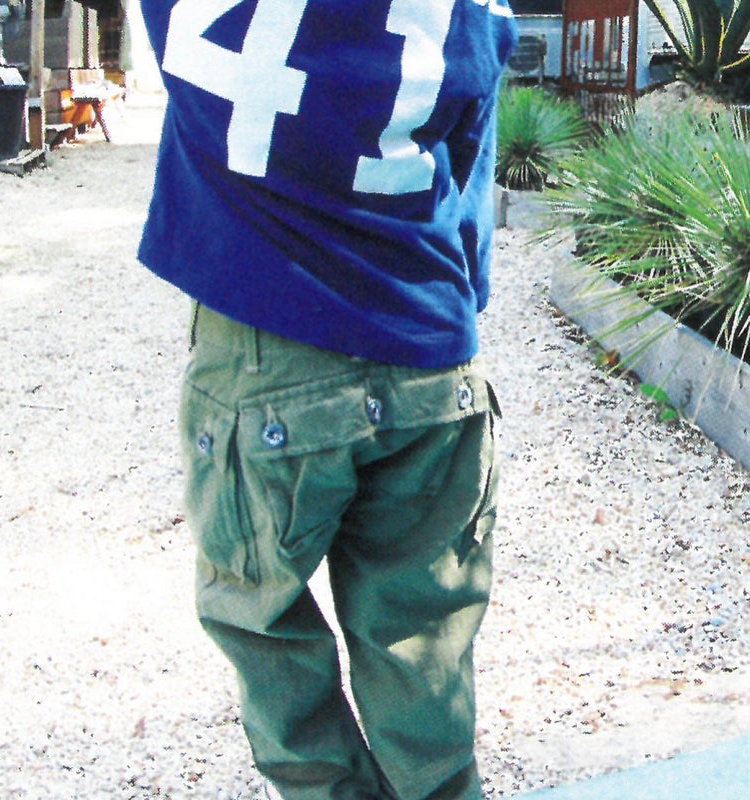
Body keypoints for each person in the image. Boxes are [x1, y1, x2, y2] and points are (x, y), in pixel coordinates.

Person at [137, 2, 516, 799]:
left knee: (261, 619)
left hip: (266, 345)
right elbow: (472, 150)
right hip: (429, 349)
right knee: (426, 646)